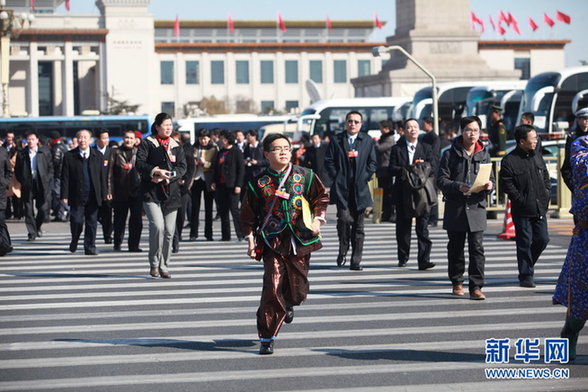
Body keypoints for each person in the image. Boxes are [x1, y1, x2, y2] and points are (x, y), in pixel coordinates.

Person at [240, 133, 329, 355]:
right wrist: (250, 241)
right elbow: (248, 216)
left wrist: (318, 219)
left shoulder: (305, 175)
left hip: (301, 237)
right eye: (277, 149)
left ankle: (289, 302)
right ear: (266, 154)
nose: (283, 152)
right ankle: (267, 336)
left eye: (286, 148)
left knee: (298, 288)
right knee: (272, 285)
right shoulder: (258, 183)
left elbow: (320, 197)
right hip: (272, 240)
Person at [437, 116, 494, 300]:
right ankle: (457, 282)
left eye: (476, 130)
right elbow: (441, 180)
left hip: (476, 207)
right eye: (469, 130)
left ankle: (476, 287)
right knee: (456, 248)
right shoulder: (449, 154)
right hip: (456, 208)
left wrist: (490, 185)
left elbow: (491, 177)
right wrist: (457, 186)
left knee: (477, 249)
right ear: (462, 131)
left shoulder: (484, 153)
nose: (472, 134)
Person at [136, 113, 187, 278]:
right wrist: (155, 172)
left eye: (170, 125)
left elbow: (182, 167)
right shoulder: (147, 143)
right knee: (158, 226)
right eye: (165, 125)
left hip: (171, 194)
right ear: (157, 126)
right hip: (151, 192)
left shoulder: (176, 144)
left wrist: (171, 175)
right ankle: (154, 263)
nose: (168, 128)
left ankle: (164, 265)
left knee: (169, 231)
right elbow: (140, 164)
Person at [325, 111, 377, 271]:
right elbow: (329, 161)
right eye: (350, 121)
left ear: (361, 124)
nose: (352, 124)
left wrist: (365, 176)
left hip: (360, 189)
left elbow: (373, 163)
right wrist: (337, 177)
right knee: (344, 220)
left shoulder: (367, 141)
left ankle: (356, 260)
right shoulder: (336, 140)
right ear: (345, 123)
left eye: (356, 121)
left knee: (359, 227)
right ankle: (343, 248)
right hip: (342, 189)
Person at [500, 124, 550, 288]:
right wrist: (520, 200)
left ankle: (528, 265)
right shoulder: (509, 160)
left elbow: (546, 178)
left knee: (542, 239)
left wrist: (546, 194)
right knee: (524, 242)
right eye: (533, 138)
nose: (536, 141)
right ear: (522, 141)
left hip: (539, 207)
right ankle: (526, 275)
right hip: (522, 209)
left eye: (536, 138)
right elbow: (507, 185)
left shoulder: (537, 156)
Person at [552, 134, 588, 361]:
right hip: (586, 235)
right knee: (581, 293)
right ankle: (569, 335)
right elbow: (580, 166)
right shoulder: (581, 144)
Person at [389, 118, 436, 270]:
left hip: (422, 193)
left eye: (415, 126)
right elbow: (391, 168)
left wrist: (421, 166)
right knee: (403, 228)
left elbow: (434, 167)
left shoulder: (426, 147)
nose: (413, 129)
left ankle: (424, 259)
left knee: (423, 227)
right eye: (409, 127)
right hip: (403, 192)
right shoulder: (397, 148)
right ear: (404, 131)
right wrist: (407, 169)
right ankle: (403, 256)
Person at [61, 129, 108, 255]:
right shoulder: (69, 156)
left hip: (93, 195)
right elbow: (65, 177)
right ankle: (74, 239)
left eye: (85, 137)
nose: (82, 140)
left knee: (92, 222)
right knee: (76, 221)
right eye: (80, 138)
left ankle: (90, 246)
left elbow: (102, 177)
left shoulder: (98, 156)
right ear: (76, 140)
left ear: (90, 140)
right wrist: (64, 195)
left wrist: (104, 193)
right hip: (77, 194)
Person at [108, 130, 143, 252]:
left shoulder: (139, 152)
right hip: (120, 192)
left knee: (136, 220)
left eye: (131, 138)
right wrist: (109, 191)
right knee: (119, 220)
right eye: (126, 137)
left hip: (136, 191)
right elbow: (110, 174)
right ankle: (117, 242)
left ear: (135, 140)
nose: (129, 140)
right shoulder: (115, 152)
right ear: (123, 138)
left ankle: (134, 245)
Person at [15, 132, 54, 241]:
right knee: (28, 210)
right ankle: (32, 233)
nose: (30, 141)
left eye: (32, 139)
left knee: (42, 208)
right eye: (28, 139)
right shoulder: (22, 153)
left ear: (37, 140)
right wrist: (22, 180)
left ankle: (37, 226)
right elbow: (17, 170)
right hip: (28, 183)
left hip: (41, 183)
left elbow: (50, 167)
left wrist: (48, 179)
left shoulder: (44, 152)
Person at [211, 130, 244, 241]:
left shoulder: (236, 151)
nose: (221, 140)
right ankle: (225, 235)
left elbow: (241, 170)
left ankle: (241, 234)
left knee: (234, 210)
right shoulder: (220, 152)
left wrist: (238, 185)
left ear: (228, 139)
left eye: (223, 138)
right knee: (223, 211)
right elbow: (216, 169)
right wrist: (214, 182)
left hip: (233, 185)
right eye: (221, 138)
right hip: (221, 185)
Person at [190, 129, 218, 241]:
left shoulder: (214, 148)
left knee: (208, 208)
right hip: (196, 178)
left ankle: (208, 233)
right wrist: (194, 162)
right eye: (201, 138)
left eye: (205, 138)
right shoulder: (194, 148)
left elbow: (216, 165)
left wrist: (205, 163)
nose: (203, 141)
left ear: (209, 138)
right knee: (194, 208)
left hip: (208, 180)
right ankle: (193, 233)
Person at [172, 131, 195, 253]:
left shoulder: (186, 152)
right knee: (171, 215)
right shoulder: (166, 151)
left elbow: (191, 169)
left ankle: (178, 235)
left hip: (183, 188)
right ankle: (174, 240)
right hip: (170, 186)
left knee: (181, 214)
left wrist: (186, 182)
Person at [93, 129, 114, 244]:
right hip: (95, 188)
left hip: (108, 188)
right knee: (94, 214)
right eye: (103, 138)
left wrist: (109, 190)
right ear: (98, 139)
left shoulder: (112, 152)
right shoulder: (92, 151)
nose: (106, 140)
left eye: (107, 138)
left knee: (107, 213)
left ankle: (108, 235)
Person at [561, 107, 588, 192]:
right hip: (579, 185)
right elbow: (567, 166)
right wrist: (573, 187)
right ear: (578, 120)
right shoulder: (572, 138)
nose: (587, 121)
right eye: (584, 118)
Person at [420, 116, 441, 227]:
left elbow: (434, 154)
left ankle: (433, 218)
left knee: (433, 194)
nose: (422, 125)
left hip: (432, 169)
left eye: (423, 123)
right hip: (424, 169)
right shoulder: (423, 137)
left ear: (429, 124)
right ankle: (428, 216)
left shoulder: (434, 137)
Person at [375, 120, 396, 222]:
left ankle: (389, 213)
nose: (380, 129)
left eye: (381, 127)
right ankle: (385, 213)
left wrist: (374, 142)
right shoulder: (384, 138)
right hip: (382, 169)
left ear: (386, 129)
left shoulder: (389, 139)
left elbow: (380, 149)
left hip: (386, 169)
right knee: (383, 193)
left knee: (388, 193)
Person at [49, 131, 69, 222]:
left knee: (57, 194)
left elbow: (55, 162)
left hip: (58, 175)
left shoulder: (56, 148)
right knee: (60, 194)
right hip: (63, 174)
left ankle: (65, 211)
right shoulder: (64, 146)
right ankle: (60, 213)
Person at [0, 145, 13, 256]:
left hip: (0, 190)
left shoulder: (3, 152)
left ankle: (5, 244)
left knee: (0, 219)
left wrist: (5, 183)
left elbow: (9, 171)